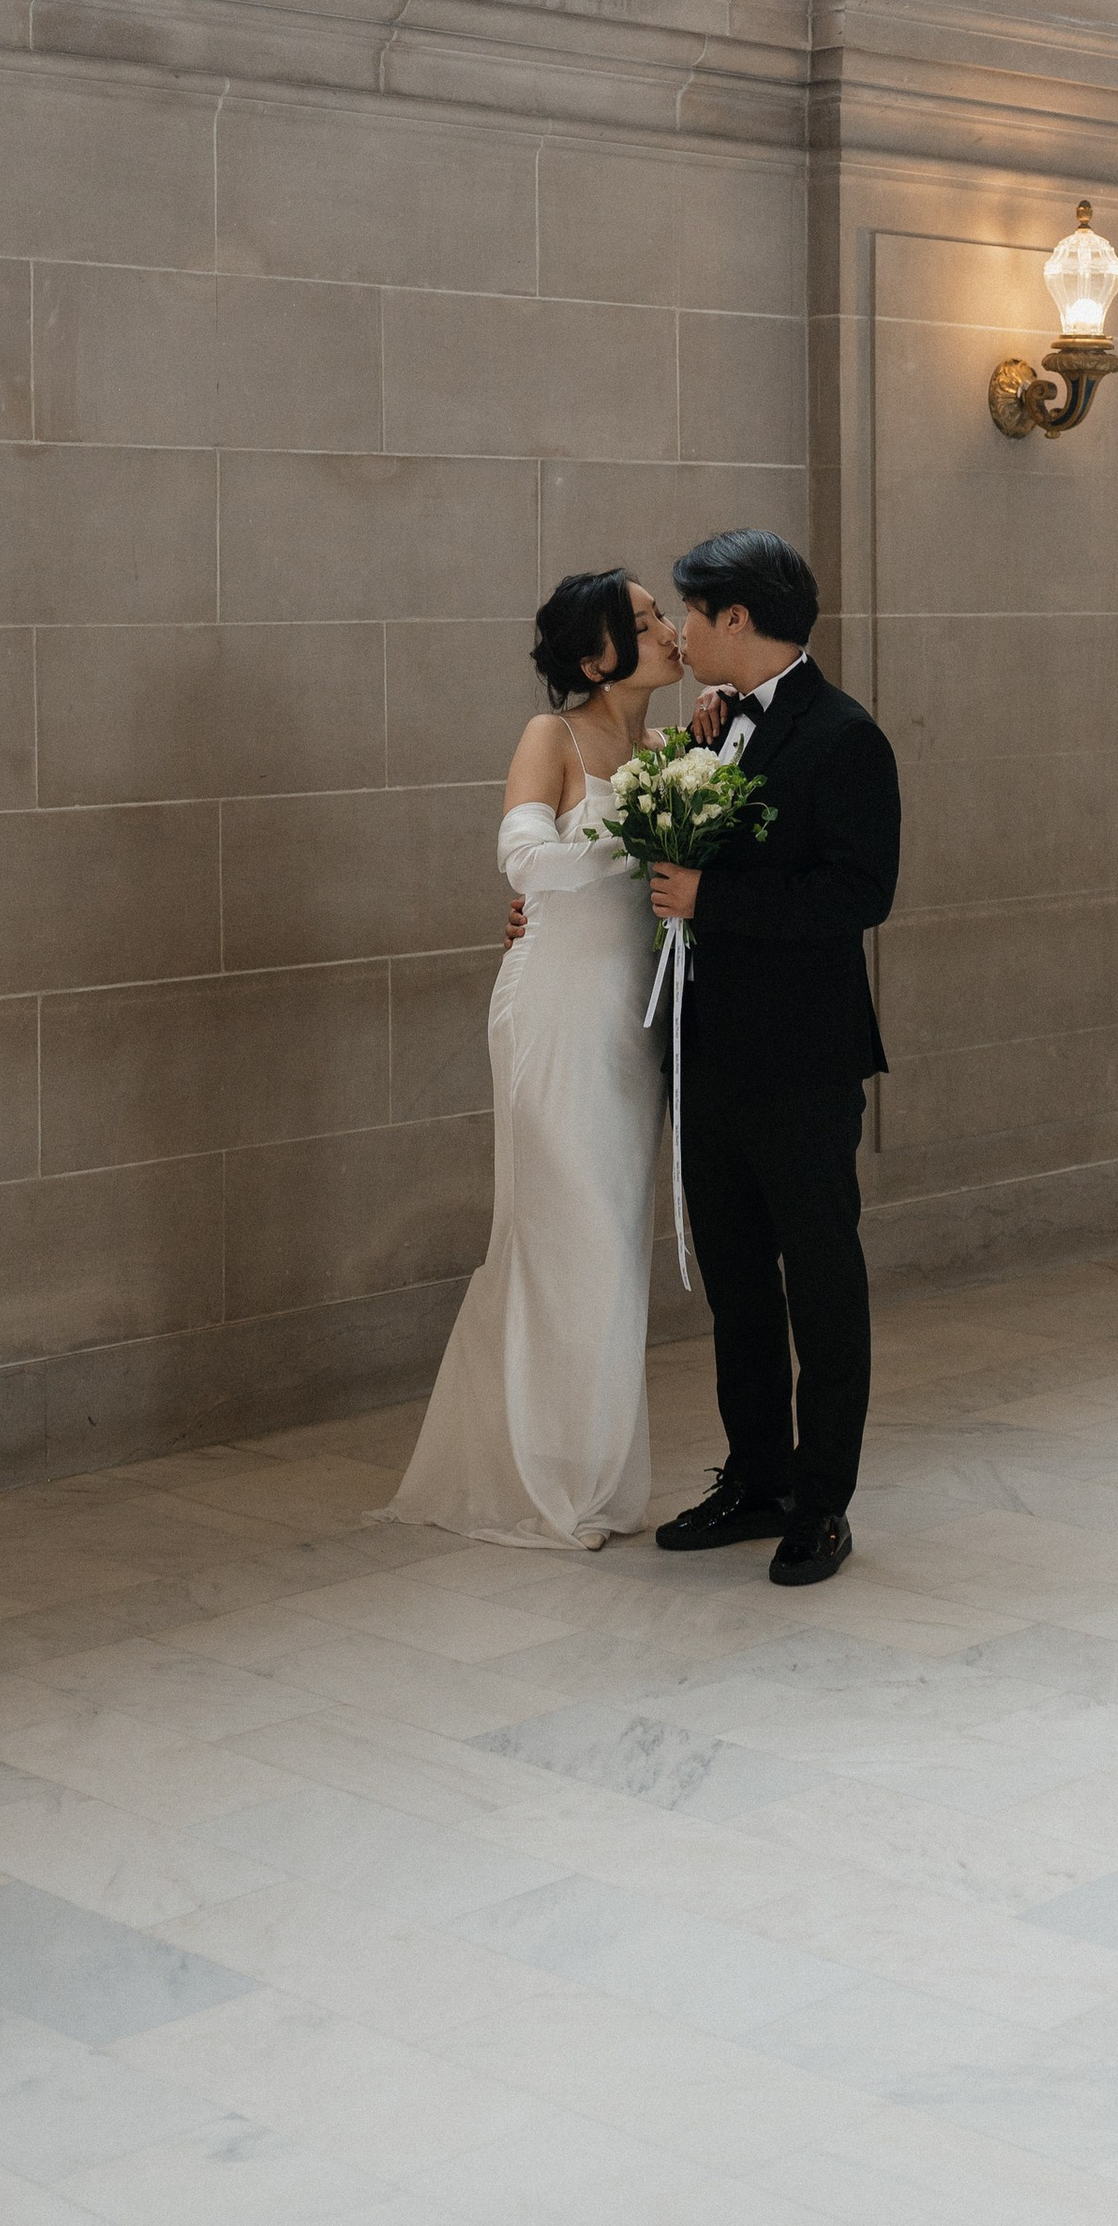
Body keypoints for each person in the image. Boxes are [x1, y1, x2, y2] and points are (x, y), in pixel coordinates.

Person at [385, 572, 681, 1548]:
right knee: (562, 1231)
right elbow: (525, 860)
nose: (667, 631)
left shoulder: (675, 752)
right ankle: (541, 1482)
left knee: (614, 1240)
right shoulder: (549, 739)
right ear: (596, 658)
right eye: (642, 624)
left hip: (629, 1021)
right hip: (554, 1003)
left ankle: (593, 1476)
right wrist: (627, 836)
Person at [646, 530, 899, 1588]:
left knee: (819, 1280)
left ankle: (822, 1502)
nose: (683, 632)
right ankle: (756, 1477)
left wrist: (717, 899)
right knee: (737, 1283)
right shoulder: (713, 729)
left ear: (737, 619)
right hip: (709, 1055)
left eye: (692, 614)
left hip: (800, 1060)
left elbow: (859, 894)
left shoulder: (844, 736)